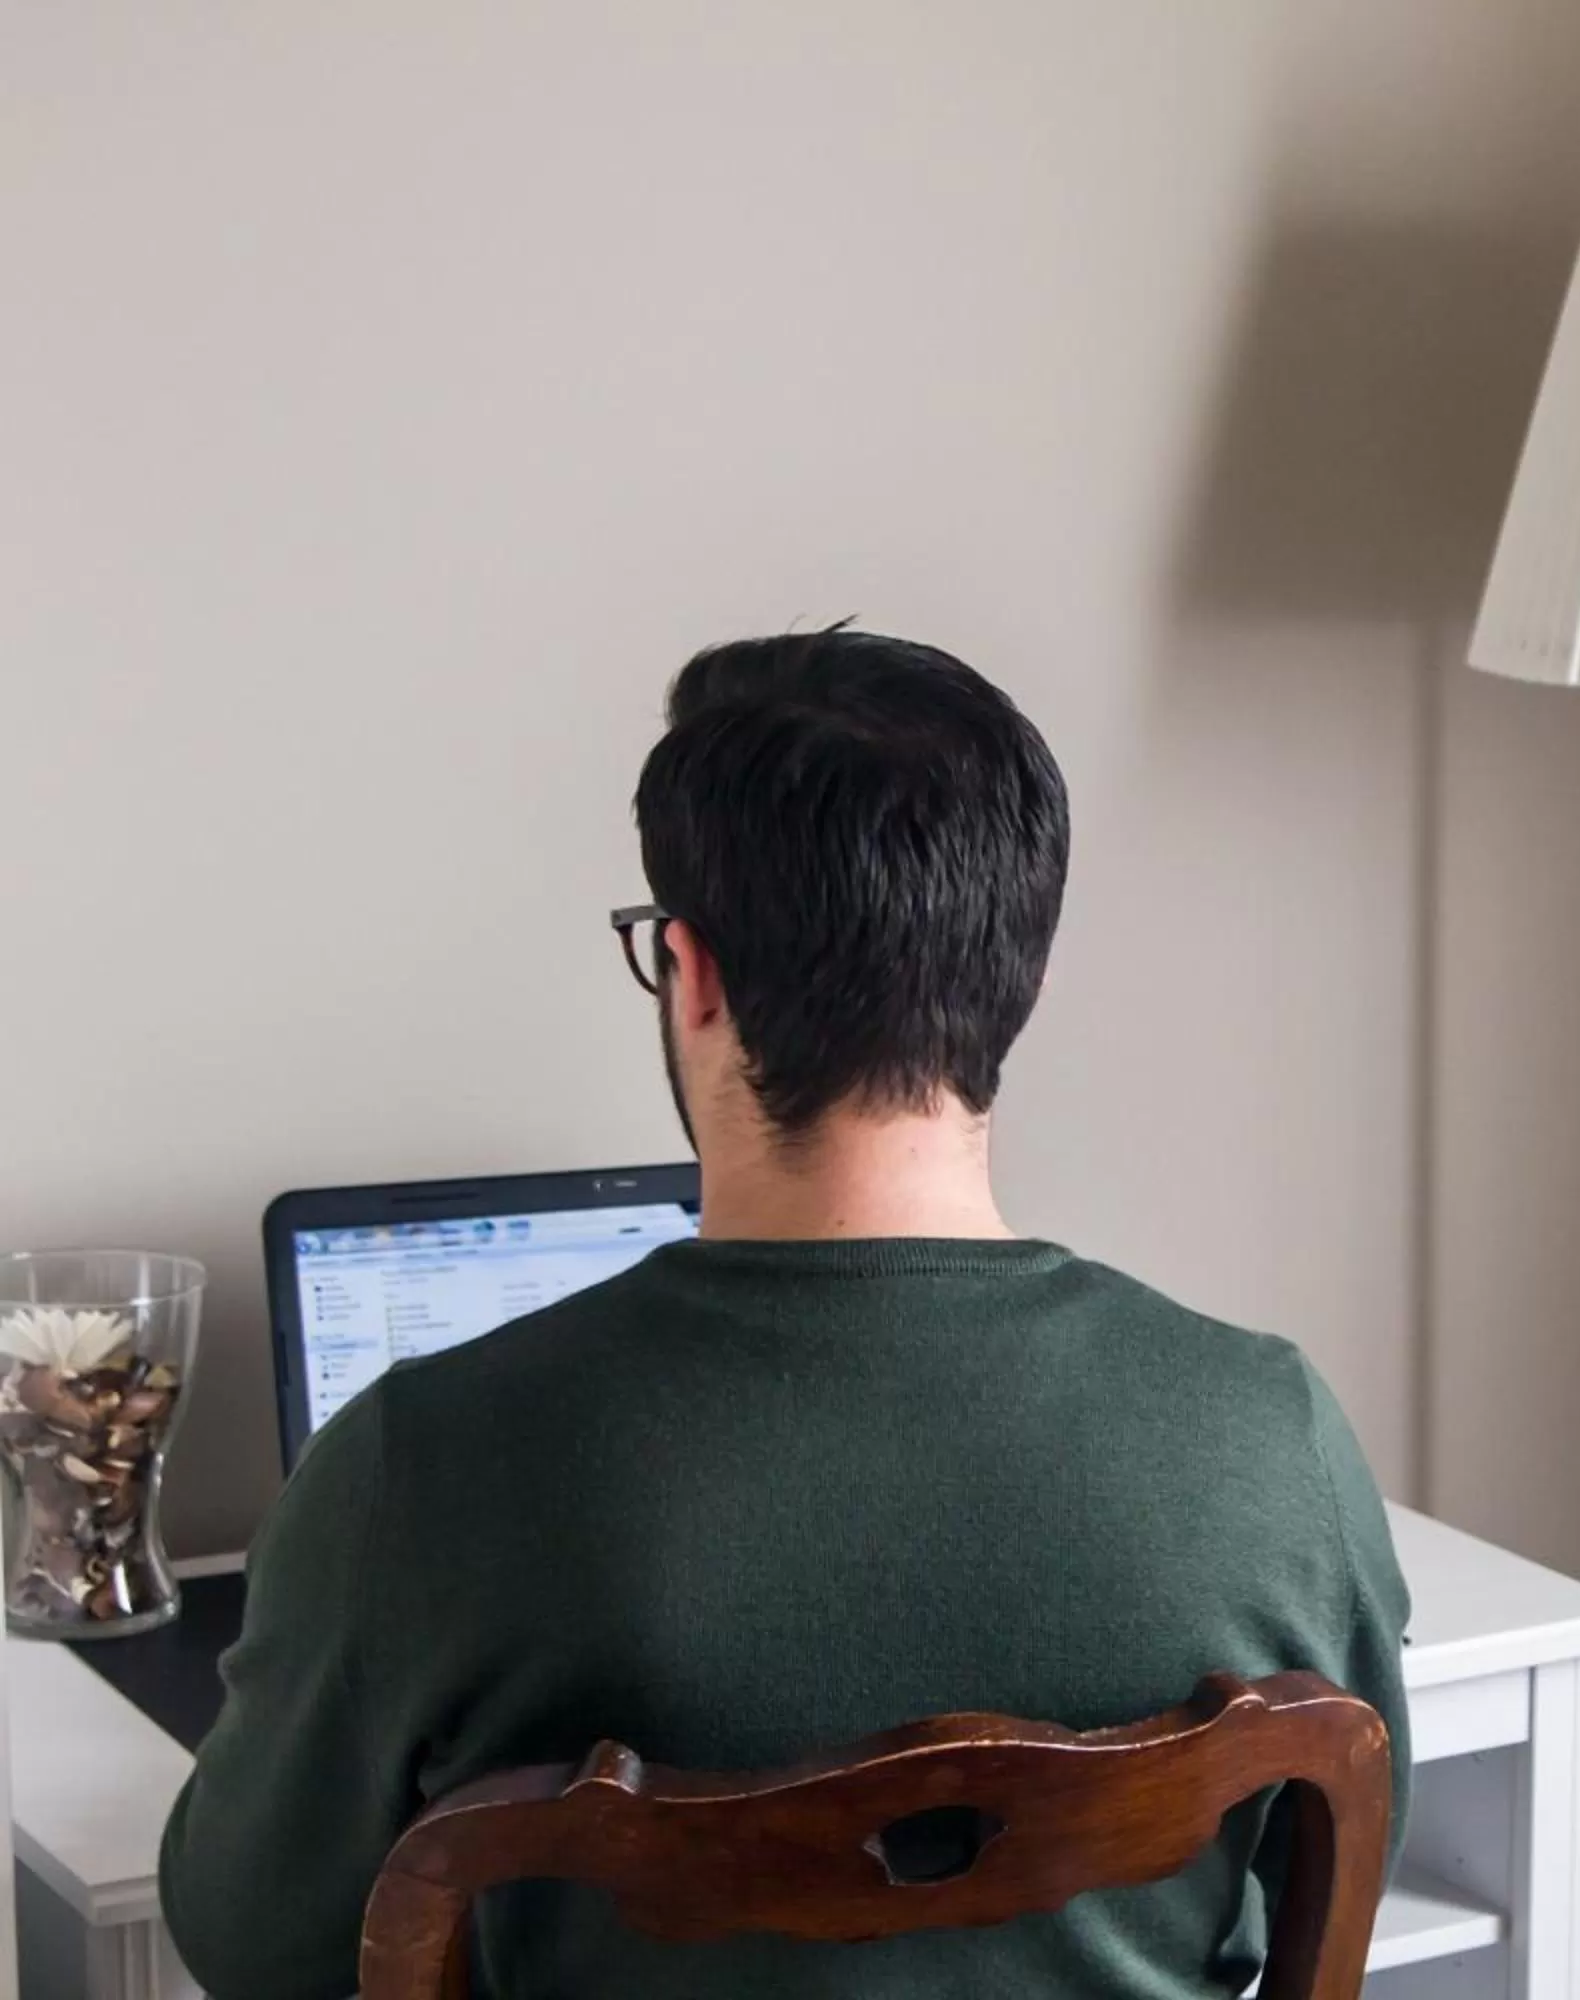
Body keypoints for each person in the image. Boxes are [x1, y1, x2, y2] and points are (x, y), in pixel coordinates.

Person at [158, 628, 1411, 1998]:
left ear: (693, 975)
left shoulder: (426, 1465)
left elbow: (258, 1944)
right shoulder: (1269, 1432)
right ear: (1023, 973)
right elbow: (1331, 1856)